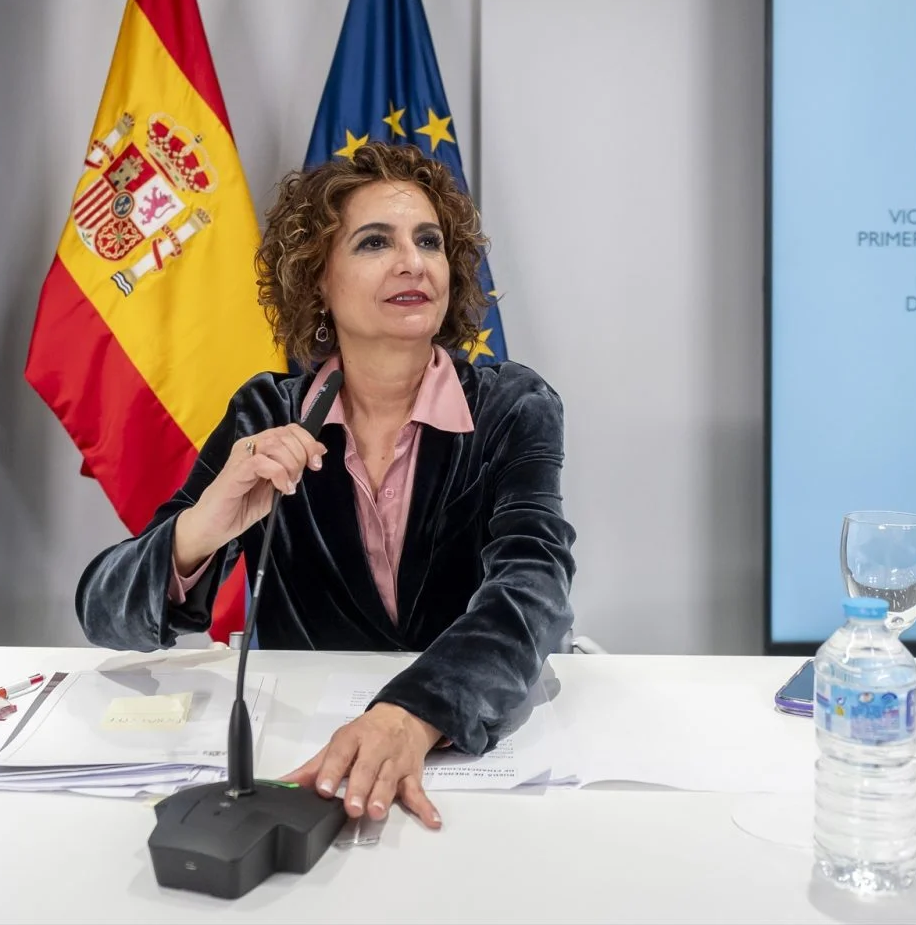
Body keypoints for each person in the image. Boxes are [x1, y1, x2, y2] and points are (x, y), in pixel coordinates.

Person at [76, 141, 577, 829]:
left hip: (463, 757)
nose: (413, 262)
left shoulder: (512, 406)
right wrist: (204, 525)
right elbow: (102, 614)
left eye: (428, 240)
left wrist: (414, 711)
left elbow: (535, 584)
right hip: (308, 760)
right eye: (375, 242)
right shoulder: (267, 412)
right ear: (318, 280)